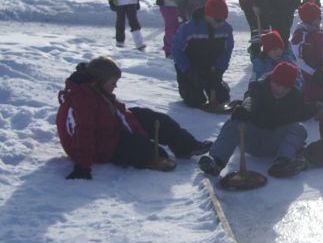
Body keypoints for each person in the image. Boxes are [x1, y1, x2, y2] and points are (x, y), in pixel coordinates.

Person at [56, 57, 210, 179]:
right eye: (112, 83)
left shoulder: (96, 90)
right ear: (98, 82)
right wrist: (82, 166)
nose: (115, 87)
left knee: (150, 118)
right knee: (139, 147)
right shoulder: (83, 100)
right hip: (97, 146)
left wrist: (137, 126)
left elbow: (117, 112)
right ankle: (153, 156)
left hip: (106, 128)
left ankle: (186, 146)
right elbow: (84, 132)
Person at [198, 62, 317, 179]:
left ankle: (283, 162)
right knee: (234, 122)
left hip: (274, 143)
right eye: (277, 84)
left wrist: (317, 107)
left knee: (299, 128)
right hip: (250, 138)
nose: (280, 90)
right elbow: (250, 98)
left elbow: (300, 114)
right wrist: (246, 109)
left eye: (285, 88)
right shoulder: (259, 87)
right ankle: (217, 160)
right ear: (271, 80)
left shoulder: (295, 96)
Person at [172, 0, 234, 108]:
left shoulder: (226, 29)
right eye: (218, 20)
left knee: (222, 98)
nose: (221, 23)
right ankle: (188, 88)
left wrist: (219, 71)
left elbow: (227, 51)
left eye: (223, 20)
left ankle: (220, 86)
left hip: (210, 69)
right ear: (207, 15)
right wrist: (188, 70)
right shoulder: (189, 28)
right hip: (190, 69)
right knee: (195, 101)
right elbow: (176, 50)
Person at [290, 1, 323, 104]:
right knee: (309, 94)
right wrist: (312, 72)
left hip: (320, 70)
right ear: (310, 19)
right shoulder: (301, 35)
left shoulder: (321, 33)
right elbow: (296, 58)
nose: (320, 19)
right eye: (318, 17)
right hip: (306, 74)